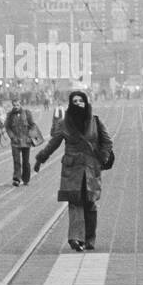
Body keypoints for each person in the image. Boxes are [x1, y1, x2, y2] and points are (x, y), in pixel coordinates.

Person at [35, 91, 113, 252]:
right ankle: (76, 238)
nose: (78, 103)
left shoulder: (95, 121)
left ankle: (89, 239)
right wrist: (40, 158)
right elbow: (53, 144)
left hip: (91, 168)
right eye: (74, 101)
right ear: (70, 103)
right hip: (72, 169)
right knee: (75, 202)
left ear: (86, 102)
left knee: (90, 203)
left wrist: (102, 158)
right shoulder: (64, 123)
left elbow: (107, 141)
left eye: (80, 100)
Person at [2, 97, 41, 187]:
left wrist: (31, 137)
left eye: (17, 105)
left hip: (26, 141)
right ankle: (16, 179)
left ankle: (26, 179)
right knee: (16, 161)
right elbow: (7, 127)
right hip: (15, 141)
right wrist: (12, 137)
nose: (16, 107)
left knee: (26, 161)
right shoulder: (10, 115)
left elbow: (32, 125)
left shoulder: (27, 113)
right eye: (14, 105)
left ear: (20, 104)